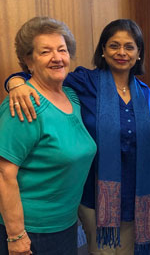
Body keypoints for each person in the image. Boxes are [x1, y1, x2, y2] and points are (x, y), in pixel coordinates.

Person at [5, 19, 150, 254]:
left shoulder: (145, 93)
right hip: (97, 196)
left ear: (139, 53)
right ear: (103, 50)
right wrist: (15, 83)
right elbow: (42, 76)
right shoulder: (83, 82)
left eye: (129, 47)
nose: (121, 53)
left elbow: (136, 142)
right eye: (113, 45)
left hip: (136, 194)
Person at [0, 17, 97, 254]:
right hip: (31, 231)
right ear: (28, 61)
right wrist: (16, 236)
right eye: (45, 52)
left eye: (62, 50)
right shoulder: (23, 104)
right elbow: (4, 173)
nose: (57, 57)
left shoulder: (72, 97)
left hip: (64, 225)